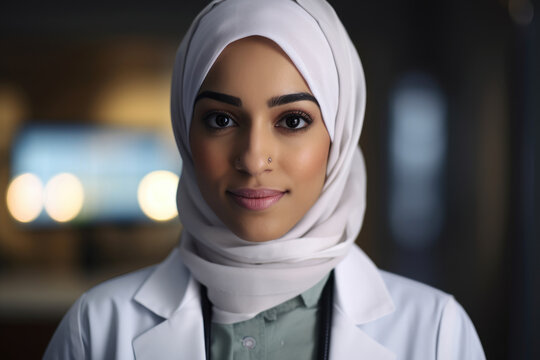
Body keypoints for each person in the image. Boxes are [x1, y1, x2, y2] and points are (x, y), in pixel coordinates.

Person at [44, 0, 486, 359]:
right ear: (184, 131)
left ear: (341, 133)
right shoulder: (96, 329)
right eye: (220, 119)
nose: (254, 159)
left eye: (293, 120)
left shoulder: (435, 333)